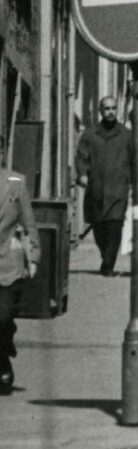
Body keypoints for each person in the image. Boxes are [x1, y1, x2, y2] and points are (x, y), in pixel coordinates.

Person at [76, 95, 134, 278]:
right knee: (99, 226)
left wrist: (133, 181)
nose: (110, 112)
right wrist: (82, 173)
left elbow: (134, 160)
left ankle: (108, 264)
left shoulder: (126, 135)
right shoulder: (90, 134)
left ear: (117, 110)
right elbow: (82, 156)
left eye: (113, 108)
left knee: (115, 225)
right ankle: (106, 255)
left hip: (118, 188)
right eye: (107, 108)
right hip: (97, 187)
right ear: (100, 111)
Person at [0, 166, 38, 392]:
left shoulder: (16, 180)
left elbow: (28, 221)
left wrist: (34, 255)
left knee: (3, 316)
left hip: (7, 264)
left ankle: (3, 354)